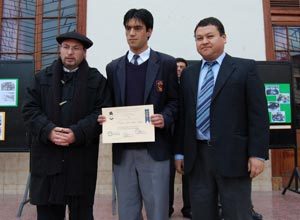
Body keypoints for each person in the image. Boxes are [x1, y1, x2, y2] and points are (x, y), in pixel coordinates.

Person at [175, 17, 269, 220]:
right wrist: (179, 153)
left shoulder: (245, 68)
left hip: (234, 156)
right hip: (197, 157)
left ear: (224, 38)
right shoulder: (189, 74)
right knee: (201, 213)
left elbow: (258, 115)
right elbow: (184, 118)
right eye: (199, 38)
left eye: (210, 36)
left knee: (237, 213)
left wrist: (258, 154)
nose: (204, 41)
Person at [98, 8, 178, 220]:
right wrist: (104, 118)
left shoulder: (167, 64)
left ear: (149, 31)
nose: (132, 33)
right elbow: (109, 104)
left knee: (158, 212)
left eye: (138, 28)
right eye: (128, 28)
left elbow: (175, 101)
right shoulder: (113, 67)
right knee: (127, 212)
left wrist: (165, 117)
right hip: (123, 153)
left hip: (155, 150)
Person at [22, 31, 111, 220]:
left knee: (82, 214)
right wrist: (48, 131)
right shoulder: (41, 78)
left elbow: (102, 113)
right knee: (48, 214)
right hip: (47, 159)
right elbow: (29, 110)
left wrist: (76, 133)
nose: (70, 52)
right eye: (66, 47)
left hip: (80, 161)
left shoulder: (97, 81)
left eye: (76, 48)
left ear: (84, 53)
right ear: (59, 50)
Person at [169, 57, 191, 219]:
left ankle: (189, 208)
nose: (178, 70)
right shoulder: (167, 86)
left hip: (187, 137)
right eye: (176, 67)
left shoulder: (190, 86)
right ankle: (167, 207)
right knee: (167, 176)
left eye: (182, 67)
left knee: (189, 175)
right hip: (167, 138)